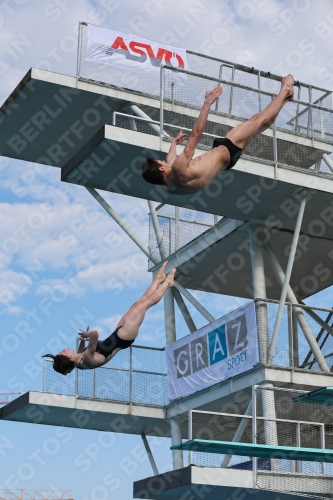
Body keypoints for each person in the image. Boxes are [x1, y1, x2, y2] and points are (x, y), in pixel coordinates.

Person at [141, 74, 295, 194]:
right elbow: (196, 134)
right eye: (160, 161)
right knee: (257, 120)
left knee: (260, 125)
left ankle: (285, 98)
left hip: (227, 162)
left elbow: (171, 160)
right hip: (226, 148)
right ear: (161, 168)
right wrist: (207, 103)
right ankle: (285, 90)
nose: (163, 160)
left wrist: (174, 143)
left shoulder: (169, 187)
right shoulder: (178, 168)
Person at [43, 262, 176, 375]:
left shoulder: (78, 361)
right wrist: (87, 334)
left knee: (137, 304)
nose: (63, 349)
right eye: (62, 352)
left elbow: (80, 351)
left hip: (118, 333)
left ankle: (158, 279)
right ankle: (167, 283)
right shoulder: (87, 359)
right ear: (69, 357)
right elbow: (95, 334)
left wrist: (83, 340)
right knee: (143, 305)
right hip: (124, 337)